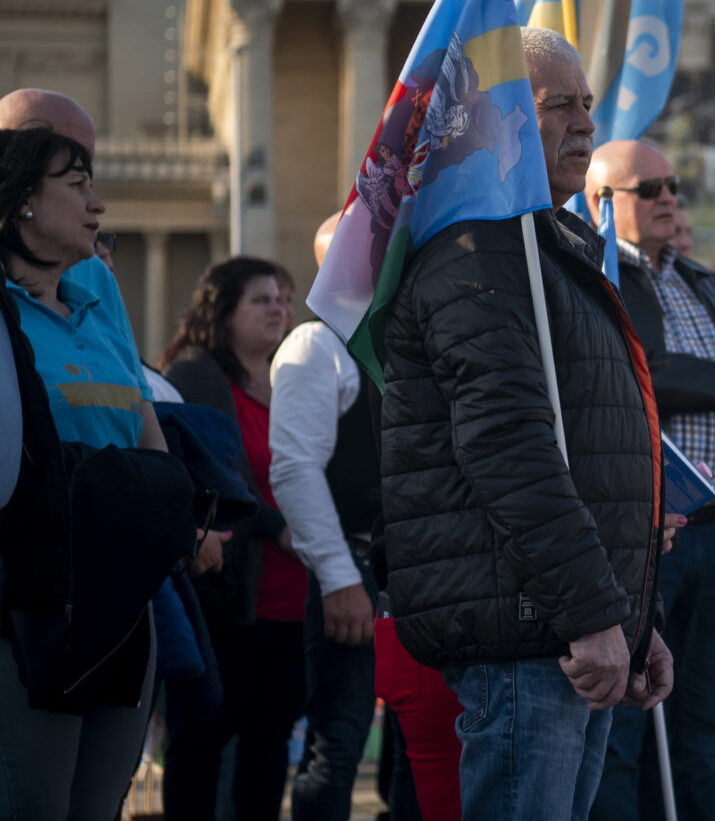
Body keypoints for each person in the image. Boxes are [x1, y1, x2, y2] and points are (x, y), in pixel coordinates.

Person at [377, 26, 670, 820]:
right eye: (557, 106)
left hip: (569, 628)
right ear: (498, 121)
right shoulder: (477, 256)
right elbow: (511, 452)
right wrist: (593, 613)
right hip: (530, 628)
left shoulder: (552, 246)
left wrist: (637, 619)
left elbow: (599, 449)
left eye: (588, 105)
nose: (586, 125)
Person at [586, 139, 715, 821]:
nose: (669, 197)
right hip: (647, 537)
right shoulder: (596, 274)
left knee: (710, 729)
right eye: (650, 188)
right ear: (602, 202)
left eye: (673, 185)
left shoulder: (700, 278)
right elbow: (626, 368)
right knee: (627, 730)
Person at [0, 124, 174, 819]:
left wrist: (170, 510)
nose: (97, 203)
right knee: (35, 802)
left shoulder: (97, 282)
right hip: (29, 590)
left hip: (121, 586)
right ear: (23, 204)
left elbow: (138, 410)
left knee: (98, 803)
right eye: (76, 185)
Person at [267, 213, 417, 819]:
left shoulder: (408, 341)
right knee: (339, 743)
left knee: (418, 747)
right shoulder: (316, 344)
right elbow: (294, 471)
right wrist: (339, 578)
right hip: (357, 570)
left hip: (421, 574)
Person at [159, 256, 303, 821]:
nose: (279, 309)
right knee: (203, 745)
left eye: (284, 298)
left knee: (269, 751)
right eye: (261, 300)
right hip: (232, 597)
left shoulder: (294, 379)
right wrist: (279, 528)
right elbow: (217, 476)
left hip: (292, 602)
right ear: (223, 313)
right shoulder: (196, 375)